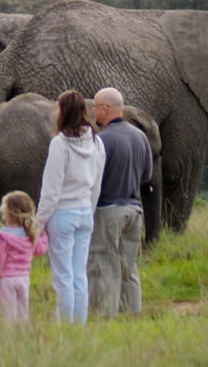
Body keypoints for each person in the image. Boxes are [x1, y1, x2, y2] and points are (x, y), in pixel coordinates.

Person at [36, 89, 106, 323]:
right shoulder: (97, 142)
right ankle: (79, 326)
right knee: (79, 275)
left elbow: (51, 189)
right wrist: (90, 210)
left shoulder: (60, 143)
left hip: (62, 215)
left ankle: (65, 328)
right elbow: (96, 184)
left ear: (62, 111)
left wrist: (39, 222)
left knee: (63, 277)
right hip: (86, 212)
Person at [88, 87, 153, 317]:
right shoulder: (140, 136)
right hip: (135, 210)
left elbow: (94, 179)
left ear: (105, 108)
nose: (93, 112)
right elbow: (147, 175)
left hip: (107, 210)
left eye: (95, 107)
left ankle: (105, 316)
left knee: (104, 264)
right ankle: (132, 314)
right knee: (129, 267)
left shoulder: (102, 140)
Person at [0, 191, 48, 324]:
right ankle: (22, 335)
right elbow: (40, 250)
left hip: (7, 280)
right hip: (24, 279)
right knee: (23, 312)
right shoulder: (31, 234)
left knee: (8, 313)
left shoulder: (4, 236)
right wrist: (43, 235)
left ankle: (9, 337)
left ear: (8, 213)